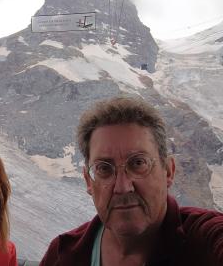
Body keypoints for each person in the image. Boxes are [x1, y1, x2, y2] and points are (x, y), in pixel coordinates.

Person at [40, 96, 223, 266]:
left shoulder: (206, 240)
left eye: (138, 163)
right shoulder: (62, 256)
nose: (122, 187)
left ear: (168, 171)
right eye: (104, 169)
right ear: (88, 181)